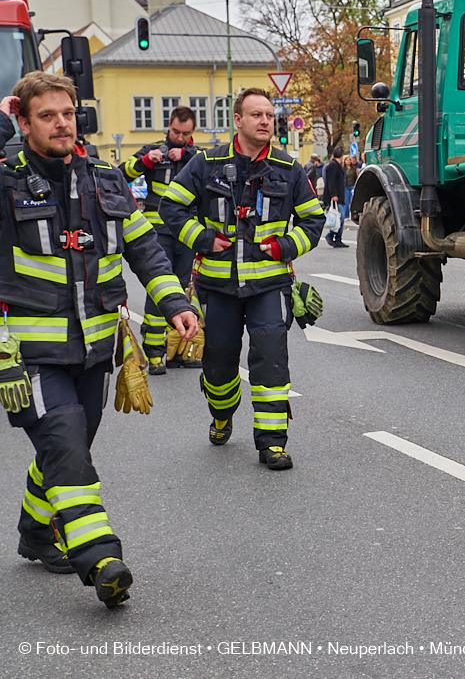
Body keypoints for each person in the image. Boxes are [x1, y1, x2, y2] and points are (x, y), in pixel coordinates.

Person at [1, 72, 198, 607]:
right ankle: (100, 557)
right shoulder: (5, 182)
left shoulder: (105, 179)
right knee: (62, 435)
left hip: (94, 347)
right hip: (28, 354)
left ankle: (37, 531)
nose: (62, 122)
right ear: (23, 120)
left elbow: (145, 249)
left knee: (69, 445)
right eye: (47, 115)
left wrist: (176, 303)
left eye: (67, 112)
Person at [160, 88, 324, 471]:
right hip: (218, 287)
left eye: (269, 115)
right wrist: (202, 239)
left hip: (269, 286)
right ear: (238, 120)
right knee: (218, 366)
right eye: (256, 115)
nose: (265, 121)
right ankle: (221, 414)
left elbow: (313, 221)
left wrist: (285, 246)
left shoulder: (288, 167)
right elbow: (171, 207)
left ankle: (272, 444)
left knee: (271, 361)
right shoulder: (206, 163)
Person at [119, 106, 201, 373]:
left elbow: (210, 181)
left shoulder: (197, 156)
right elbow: (120, 175)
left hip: (186, 233)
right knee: (159, 292)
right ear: (169, 125)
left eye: (186, 134)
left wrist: (187, 156)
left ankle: (177, 349)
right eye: (176, 132)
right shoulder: (153, 150)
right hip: (158, 231)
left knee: (183, 290)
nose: (179, 137)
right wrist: (146, 162)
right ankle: (155, 354)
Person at [322, 147, 348, 248]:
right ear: (341, 155)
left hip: (338, 195)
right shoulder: (333, 165)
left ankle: (336, 238)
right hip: (336, 196)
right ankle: (333, 237)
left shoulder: (335, 165)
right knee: (340, 218)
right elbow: (331, 181)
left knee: (339, 218)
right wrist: (334, 195)